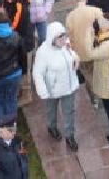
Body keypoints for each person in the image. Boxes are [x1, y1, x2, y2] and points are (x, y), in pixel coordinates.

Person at [33, 22, 81, 151]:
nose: (63, 40)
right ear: (52, 38)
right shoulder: (43, 52)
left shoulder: (66, 44)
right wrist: (42, 91)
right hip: (52, 89)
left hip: (68, 87)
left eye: (64, 36)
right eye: (60, 38)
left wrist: (76, 59)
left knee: (69, 112)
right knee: (51, 110)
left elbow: (72, 54)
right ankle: (51, 127)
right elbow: (38, 73)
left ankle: (70, 136)